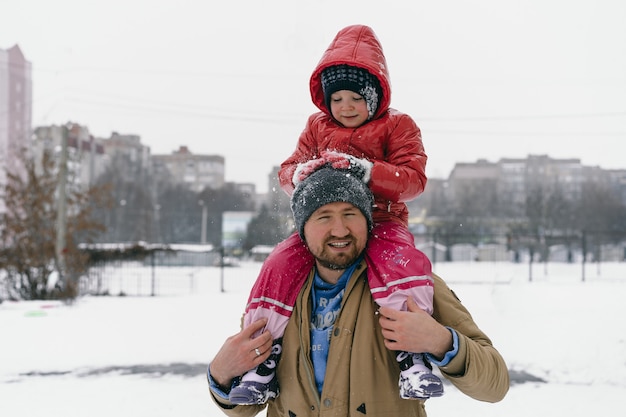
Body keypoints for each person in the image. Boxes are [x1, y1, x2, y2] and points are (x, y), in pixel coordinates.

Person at [229, 24, 439, 405]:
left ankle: (412, 352)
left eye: (356, 97)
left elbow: (413, 179)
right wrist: (299, 174)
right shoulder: (317, 127)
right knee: (277, 266)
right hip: (320, 223)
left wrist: (367, 171)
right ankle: (263, 355)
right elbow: (288, 168)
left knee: (403, 264)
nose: (345, 107)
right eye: (337, 98)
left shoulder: (398, 126)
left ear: (375, 97)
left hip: (383, 221)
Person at [207, 166, 510, 417]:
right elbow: (245, 407)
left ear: (367, 220)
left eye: (350, 213)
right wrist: (221, 373)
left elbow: (494, 385)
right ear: (302, 228)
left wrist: (441, 341)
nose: (340, 230)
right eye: (324, 216)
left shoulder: (409, 285)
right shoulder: (280, 294)